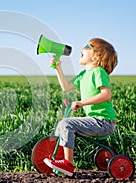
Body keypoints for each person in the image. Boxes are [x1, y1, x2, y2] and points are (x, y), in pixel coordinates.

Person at [43, 38, 118, 176]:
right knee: (61, 126)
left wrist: (83, 103)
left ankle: (68, 165)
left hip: (104, 122)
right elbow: (66, 87)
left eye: (87, 46)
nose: (82, 49)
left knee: (66, 124)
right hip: (96, 120)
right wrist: (58, 68)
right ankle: (60, 161)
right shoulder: (84, 75)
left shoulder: (98, 72)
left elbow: (106, 95)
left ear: (97, 56)